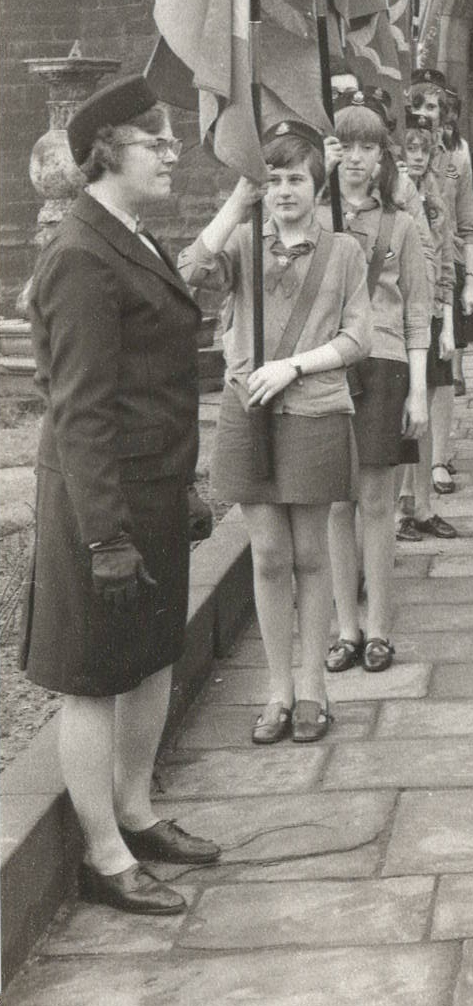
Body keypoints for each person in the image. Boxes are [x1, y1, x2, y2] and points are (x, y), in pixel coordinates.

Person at [21, 75, 220, 916]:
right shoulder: (77, 253)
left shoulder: (130, 237)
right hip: (100, 505)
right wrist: (105, 537)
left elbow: (157, 379)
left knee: (150, 659)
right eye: (157, 142)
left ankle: (136, 813)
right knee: (95, 677)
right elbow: (82, 411)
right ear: (107, 152)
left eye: (171, 141)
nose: (173, 154)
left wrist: (186, 484)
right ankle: (105, 856)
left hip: (151, 491)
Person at [181, 120, 372, 747]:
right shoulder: (241, 242)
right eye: (275, 178)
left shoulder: (343, 251)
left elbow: (357, 338)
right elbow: (188, 271)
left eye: (296, 178)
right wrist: (240, 197)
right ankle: (277, 690)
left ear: (318, 187)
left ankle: (313, 687)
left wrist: (293, 364)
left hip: (314, 410)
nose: (285, 189)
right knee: (267, 556)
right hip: (248, 412)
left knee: (312, 555)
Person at [321, 95, 432, 675]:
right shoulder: (315, 219)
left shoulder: (403, 225)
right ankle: (345, 626)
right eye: (347, 146)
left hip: (384, 363)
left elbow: (418, 310)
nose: (357, 158)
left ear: (384, 158)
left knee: (377, 503)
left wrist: (418, 390)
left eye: (369, 147)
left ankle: (380, 627)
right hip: (325, 368)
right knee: (337, 503)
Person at [395, 71, 473, 509]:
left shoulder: (455, 155)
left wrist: (472, 281)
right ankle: (412, 477)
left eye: (432, 107)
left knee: (441, 374)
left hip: (443, 269)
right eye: (418, 105)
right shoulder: (400, 154)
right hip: (405, 273)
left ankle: (438, 459)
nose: (424, 114)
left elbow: (464, 223)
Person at [395, 117, 460, 541]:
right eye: (410, 150)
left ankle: (422, 507)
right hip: (397, 316)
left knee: (425, 408)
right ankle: (398, 509)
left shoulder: (436, 195)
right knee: (398, 412)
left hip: (431, 312)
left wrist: (448, 323)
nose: (417, 157)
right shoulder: (392, 198)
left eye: (424, 150)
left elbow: (446, 261)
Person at [440, 86, 473, 396]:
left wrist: (471, 276)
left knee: (456, 316)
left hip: (450, 248)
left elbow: (467, 216)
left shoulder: (459, 150)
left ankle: (457, 372)